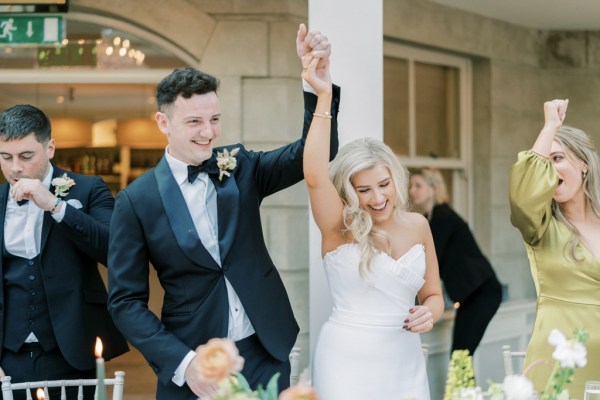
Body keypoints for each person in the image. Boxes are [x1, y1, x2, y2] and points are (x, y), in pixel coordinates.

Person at [107, 24, 340, 400]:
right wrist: (184, 365)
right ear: (163, 123)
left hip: (264, 351)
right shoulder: (137, 200)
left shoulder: (240, 165)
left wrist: (318, 88)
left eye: (214, 119)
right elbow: (125, 303)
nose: (208, 132)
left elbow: (311, 156)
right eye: (194, 122)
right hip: (196, 362)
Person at [301, 53, 443, 399]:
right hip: (345, 361)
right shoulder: (339, 227)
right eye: (363, 190)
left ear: (396, 178)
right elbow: (316, 175)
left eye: (384, 184)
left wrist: (429, 314)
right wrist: (324, 97)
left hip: (404, 361)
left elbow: (433, 296)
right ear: (349, 191)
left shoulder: (418, 225)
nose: (377, 198)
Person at [0, 104, 128, 399]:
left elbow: (113, 249)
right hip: (8, 356)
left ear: (50, 147)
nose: (15, 167)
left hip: (72, 349)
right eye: (6, 157)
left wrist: (56, 207)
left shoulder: (89, 189)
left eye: (26, 156)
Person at [509, 99, 600, 395]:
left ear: (583, 164)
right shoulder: (541, 227)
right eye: (544, 161)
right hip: (559, 359)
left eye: (558, 158)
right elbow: (524, 195)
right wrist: (550, 126)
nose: (549, 170)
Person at [409, 168, 502, 355]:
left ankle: (462, 386)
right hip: (471, 295)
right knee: (461, 356)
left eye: (418, 185)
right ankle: (463, 385)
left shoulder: (443, 217)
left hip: (482, 292)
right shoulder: (430, 219)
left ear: (433, 188)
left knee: (460, 356)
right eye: (411, 186)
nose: (412, 191)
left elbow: (426, 261)